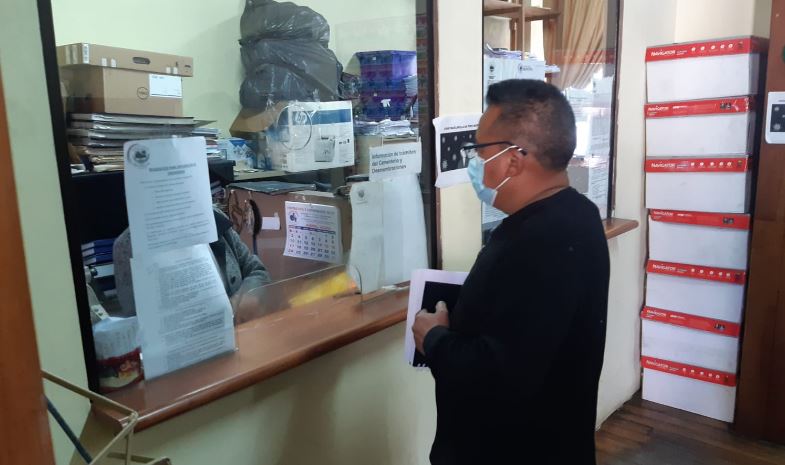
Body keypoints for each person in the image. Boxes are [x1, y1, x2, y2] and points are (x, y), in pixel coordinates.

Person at [412, 79, 610, 465]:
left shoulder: (544, 240)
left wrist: (433, 338)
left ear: (513, 160)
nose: (474, 162)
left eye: (479, 151)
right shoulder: (577, 214)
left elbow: (500, 375)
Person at [113, 207, 271, 321]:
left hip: (240, 338)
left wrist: (247, 295)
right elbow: (135, 323)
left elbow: (257, 270)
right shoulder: (128, 246)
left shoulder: (214, 218)